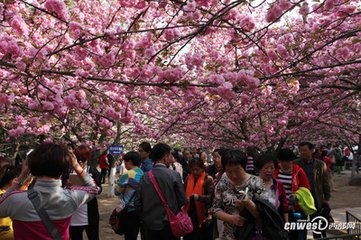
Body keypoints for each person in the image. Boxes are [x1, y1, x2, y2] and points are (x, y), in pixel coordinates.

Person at [0, 143, 99, 240]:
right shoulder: (72, 197)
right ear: (64, 168)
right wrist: (76, 166)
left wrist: (21, 176)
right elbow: (94, 189)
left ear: (30, 166)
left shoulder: (14, 200)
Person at [135, 143, 187, 240]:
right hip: (169, 224)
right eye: (170, 155)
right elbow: (183, 200)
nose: (171, 157)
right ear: (165, 156)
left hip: (149, 224)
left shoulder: (144, 177)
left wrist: (144, 216)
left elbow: (137, 202)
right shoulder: (174, 175)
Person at [212, 150, 266, 240]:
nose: (234, 176)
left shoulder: (256, 183)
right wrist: (231, 219)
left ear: (244, 167)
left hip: (251, 235)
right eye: (229, 171)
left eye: (238, 171)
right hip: (228, 235)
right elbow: (214, 209)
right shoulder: (223, 181)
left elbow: (261, 214)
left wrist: (248, 203)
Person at [294, 142, 331, 239]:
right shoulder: (296, 164)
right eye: (300, 150)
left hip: (315, 197)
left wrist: (326, 198)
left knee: (316, 225)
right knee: (301, 225)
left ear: (311, 151)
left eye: (305, 150)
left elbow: (325, 182)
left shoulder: (320, 164)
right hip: (301, 198)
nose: (302, 153)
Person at [274, 148, 310, 240]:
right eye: (284, 161)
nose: (287, 163)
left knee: (297, 235)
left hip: (296, 209)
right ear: (280, 161)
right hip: (280, 210)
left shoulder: (298, 171)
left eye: (289, 161)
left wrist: (297, 196)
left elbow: (306, 189)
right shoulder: (275, 170)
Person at [69, 144, 102, 240]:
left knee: (93, 236)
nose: (81, 163)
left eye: (83, 160)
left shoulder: (93, 170)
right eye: (79, 160)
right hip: (74, 212)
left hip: (90, 211)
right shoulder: (68, 171)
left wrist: (91, 186)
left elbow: (99, 189)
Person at [115, 151, 144, 240]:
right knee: (134, 234)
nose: (124, 164)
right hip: (139, 209)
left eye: (125, 162)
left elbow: (117, 192)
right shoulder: (143, 174)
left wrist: (118, 183)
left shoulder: (128, 174)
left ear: (130, 161)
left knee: (128, 236)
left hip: (129, 210)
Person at [184, 158, 213, 240]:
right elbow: (183, 192)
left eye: (197, 169)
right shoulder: (188, 178)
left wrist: (198, 197)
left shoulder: (208, 180)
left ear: (202, 169)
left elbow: (211, 198)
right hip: (189, 213)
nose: (195, 172)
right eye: (193, 170)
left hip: (202, 214)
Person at [255, 153, 288, 222]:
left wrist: (286, 222)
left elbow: (284, 205)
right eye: (266, 168)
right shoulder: (253, 183)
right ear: (260, 169)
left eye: (272, 168)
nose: (269, 170)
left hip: (275, 222)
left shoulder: (278, 184)